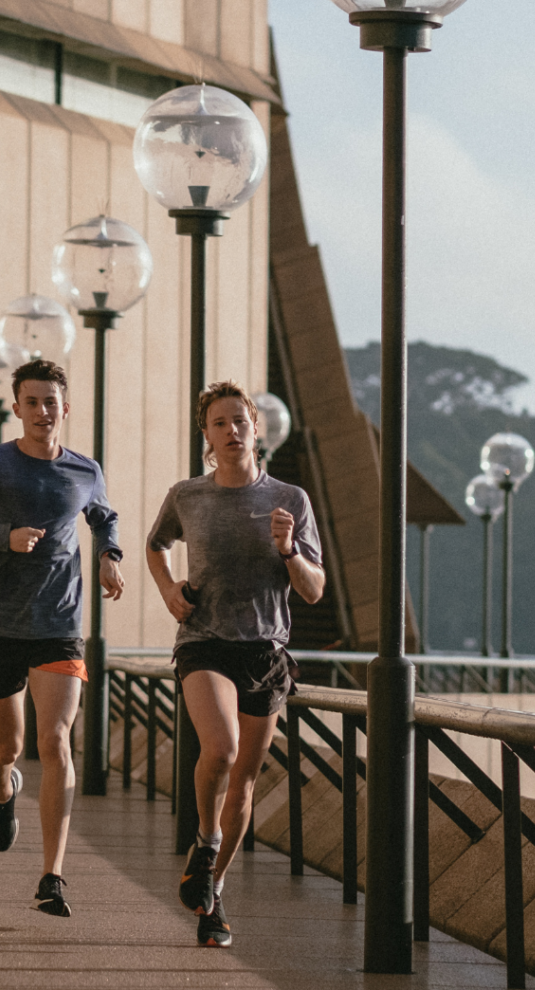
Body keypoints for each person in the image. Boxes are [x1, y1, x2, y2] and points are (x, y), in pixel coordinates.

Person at [0, 358, 124, 918]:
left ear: (66, 407)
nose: (42, 412)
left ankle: (53, 877)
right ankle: (2, 788)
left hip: (60, 626)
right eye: (31, 402)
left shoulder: (85, 470)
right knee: (7, 746)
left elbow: (104, 516)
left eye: (51, 402)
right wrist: (2, 538)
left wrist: (110, 555)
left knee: (56, 741)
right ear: (16, 407)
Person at [145, 380, 325, 948]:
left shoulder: (290, 501)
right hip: (204, 641)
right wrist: (169, 590)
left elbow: (315, 590)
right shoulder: (188, 495)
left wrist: (290, 551)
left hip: (265, 651)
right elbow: (155, 545)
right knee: (218, 750)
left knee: (244, 782)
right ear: (206, 435)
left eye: (239, 421)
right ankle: (204, 840)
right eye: (219, 423)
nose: (231, 432)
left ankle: (212, 894)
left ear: (256, 428)